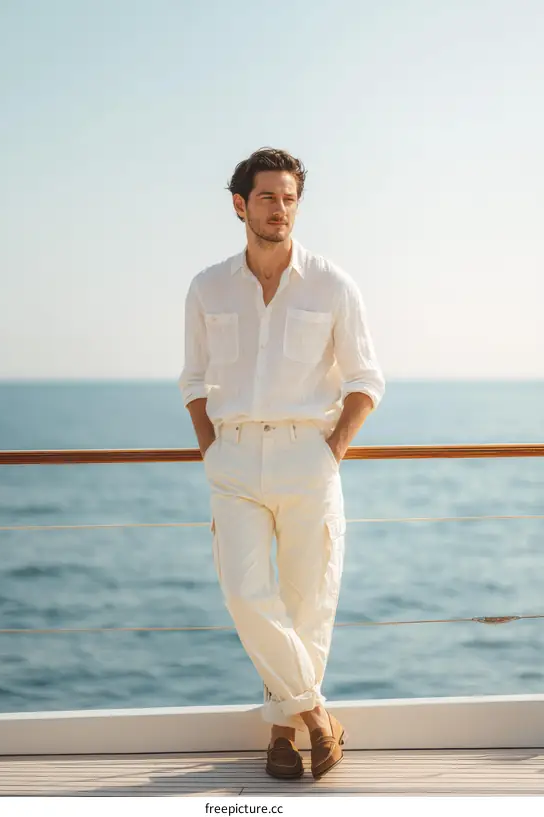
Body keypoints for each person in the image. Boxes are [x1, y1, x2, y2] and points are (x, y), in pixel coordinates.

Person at [178, 147, 385, 780]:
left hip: (308, 458)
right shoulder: (207, 286)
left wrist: (332, 450)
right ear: (240, 204)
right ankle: (318, 717)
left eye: (290, 198)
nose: (280, 209)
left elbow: (367, 380)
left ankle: (280, 737)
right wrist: (213, 450)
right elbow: (193, 381)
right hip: (235, 463)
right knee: (246, 595)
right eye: (267, 197)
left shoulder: (333, 284)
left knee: (307, 605)